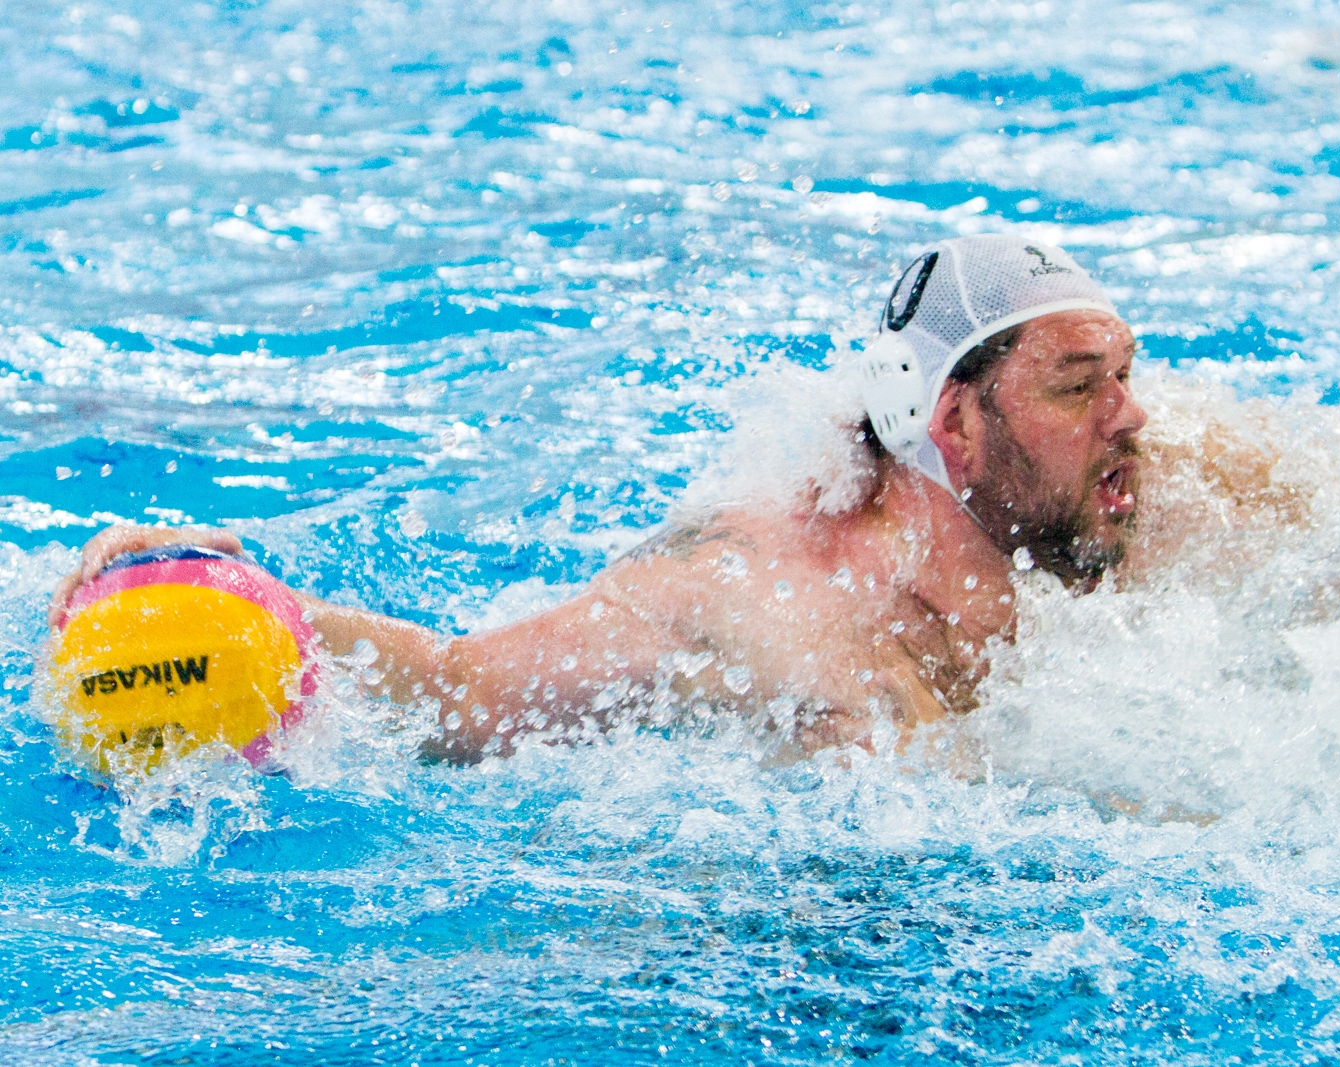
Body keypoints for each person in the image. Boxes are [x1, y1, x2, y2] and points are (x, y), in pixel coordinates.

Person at [46, 236, 1155, 761]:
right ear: (954, 422)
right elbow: (461, 691)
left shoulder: (1123, 502)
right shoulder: (762, 581)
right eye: (1076, 384)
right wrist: (248, 602)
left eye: (1125, 374)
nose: (1132, 416)